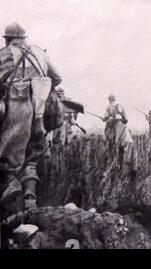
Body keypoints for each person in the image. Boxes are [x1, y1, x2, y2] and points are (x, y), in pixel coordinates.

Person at [0, 22, 62, 211]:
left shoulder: (5, 53)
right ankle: (30, 201)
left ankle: (11, 198)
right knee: (32, 156)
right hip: (41, 111)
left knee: (8, 160)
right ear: (24, 39)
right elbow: (57, 78)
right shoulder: (39, 52)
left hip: (18, 109)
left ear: (8, 39)